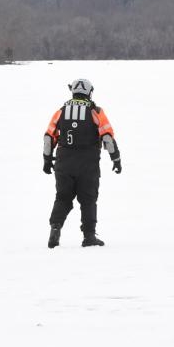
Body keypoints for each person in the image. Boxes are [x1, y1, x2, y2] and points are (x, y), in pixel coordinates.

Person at [43, 78, 122, 248]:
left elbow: (49, 137)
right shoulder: (96, 111)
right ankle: (89, 237)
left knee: (62, 198)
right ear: (89, 91)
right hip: (88, 164)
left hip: (63, 163)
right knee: (88, 200)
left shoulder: (61, 111)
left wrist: (47, 160)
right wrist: (116, 158)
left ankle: (55, 229)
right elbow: (107, 137)